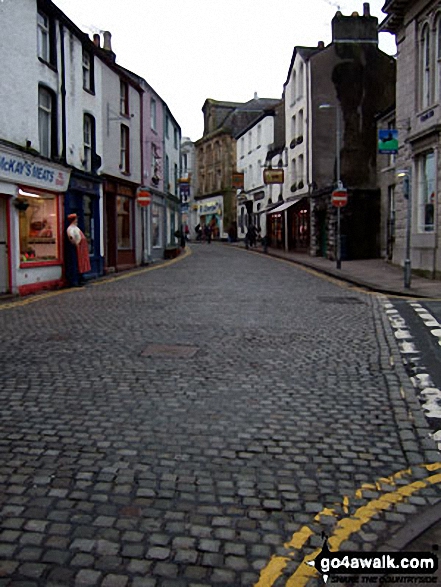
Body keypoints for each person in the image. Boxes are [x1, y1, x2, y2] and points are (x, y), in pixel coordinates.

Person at [66, 213, 91, 285]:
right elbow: (71, 237)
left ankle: (81, 278)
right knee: (77, 263)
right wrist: (75, 243)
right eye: (76, 219)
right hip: (77, 248)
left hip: (81, 248)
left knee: (82, 263)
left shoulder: (75, 228)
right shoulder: (70, 228)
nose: (77, 220)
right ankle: (77, 280)